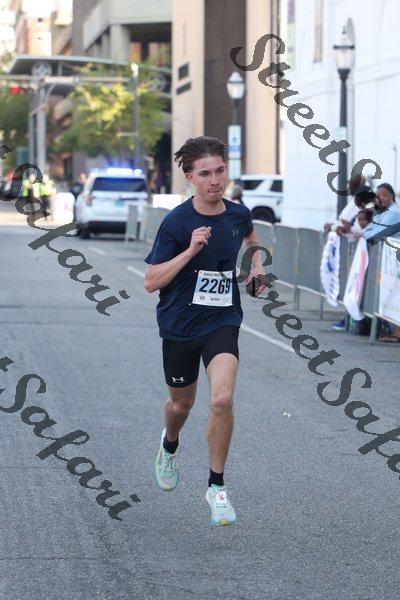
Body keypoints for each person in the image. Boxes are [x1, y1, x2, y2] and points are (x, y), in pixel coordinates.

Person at [143, 136, 267, 526]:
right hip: (179, 324)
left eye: (220, 171)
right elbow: (151, 281)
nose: (215, 180)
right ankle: (169, 444)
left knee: (222, 399)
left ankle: (216, 487)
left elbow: (250, 236)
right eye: (205, 174)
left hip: (222, 319)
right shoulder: (176, 222)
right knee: (181, 405)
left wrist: (257, 266)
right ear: (190, 177)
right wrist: (190, 251)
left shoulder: (238, 214)